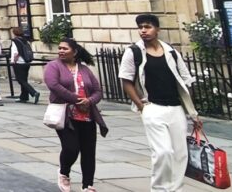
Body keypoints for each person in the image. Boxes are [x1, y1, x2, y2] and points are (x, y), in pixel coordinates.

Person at [118, 13, 199, 192]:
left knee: (179, 154)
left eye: (147, 27)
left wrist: (192, 113)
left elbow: (185, 80)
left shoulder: (171, 52)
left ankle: (176, 189)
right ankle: (160, 189)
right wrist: (140, 105)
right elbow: (126, 80)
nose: (143, 31)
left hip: (176, 108)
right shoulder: (134, 52)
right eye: (140, 27)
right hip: (152, 107)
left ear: (157, 29)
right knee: (163, 152)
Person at [45, 39, 109, 192]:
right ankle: (64, 172)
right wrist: (76, 99)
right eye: (59, 48)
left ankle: (87, 185)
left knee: (88, 151)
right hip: (66, 115)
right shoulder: (53, 66)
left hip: (87, 116)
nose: (61, 51)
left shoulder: (84, 69)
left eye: (65, 48)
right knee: (71, 148)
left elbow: (97, 91)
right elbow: (53, 85)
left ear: (74, 52)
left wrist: (89, 100)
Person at [10, 27, 39, 104]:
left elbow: (15, 53)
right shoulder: (26, 40)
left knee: (20, 80)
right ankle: (24, 97)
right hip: (27, 62)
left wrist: (13, 61)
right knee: (24, 80)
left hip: (19, 63)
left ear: (14, 33)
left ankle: (34, 93)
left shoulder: (15, 41)